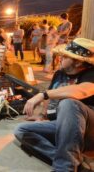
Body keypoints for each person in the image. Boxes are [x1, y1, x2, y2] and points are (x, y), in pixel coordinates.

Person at [14, 38, 94, 171]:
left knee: (69, 103)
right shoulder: (60, 73)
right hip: (65, 127)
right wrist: (41, 116)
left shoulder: (91, 73)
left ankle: (64, 168)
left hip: (89, 130)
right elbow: (50, 97)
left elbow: (82, 90)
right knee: (21, 130)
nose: (60, 57)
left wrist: (42, 94)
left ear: (79, 61)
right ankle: (75, 162)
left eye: (66, 56)